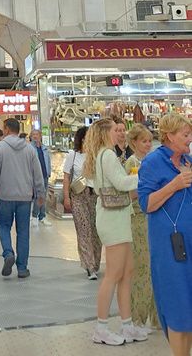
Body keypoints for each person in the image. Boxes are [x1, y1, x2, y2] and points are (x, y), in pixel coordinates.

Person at [83, 117, 146, 346]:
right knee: (113, 275)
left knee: (126, 272)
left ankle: (127, 325)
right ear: (105, 133)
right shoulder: (107, 155)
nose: (119, 133)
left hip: (118, 216)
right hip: (113, 219)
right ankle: (101, 327)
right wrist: (144, 175)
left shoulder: (103, 154)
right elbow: (122, 183)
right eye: (115, 130)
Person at [138, 113, 192, 356]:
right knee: (177, 301)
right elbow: (146, 204)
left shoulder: (187, 160)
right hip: (170, 247)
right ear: (169, 136)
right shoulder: (152, 162)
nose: (189, 139)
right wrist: (175, 184)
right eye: (185, 135)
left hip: (189, 242)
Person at [0, 116, 45, 279]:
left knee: (4, 226)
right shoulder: (30, 149)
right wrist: (40, 194)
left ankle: (8, 253)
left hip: (5, 196)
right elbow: (38, 174)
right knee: (23, 231)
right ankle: (22, 268)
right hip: (25, 197)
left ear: (6, 129)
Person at [124, 124, 159, 330]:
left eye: (149, 141)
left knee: (154, 268)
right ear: (134, 142)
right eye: (143, 141)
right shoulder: (132, 163)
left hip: (153, 216)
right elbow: (130, 192)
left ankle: (156, 316)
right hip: (138, 217)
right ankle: (138, 317)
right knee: (141, 269)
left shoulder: (152, 161)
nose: (147, 145)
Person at [63, 126, 101, 280]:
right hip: (78, 195)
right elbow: (66, 177)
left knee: (96, 231)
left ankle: (96, 263)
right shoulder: (72, 155)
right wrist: (66, 197)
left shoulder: (97, 154)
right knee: (83, 230)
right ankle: (89, 266)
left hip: (95, 195)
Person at [29, 129, 52, 227]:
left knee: (44, 196)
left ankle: (42, 216)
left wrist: (48, 172)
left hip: (44, 175)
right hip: (35, 176)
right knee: (38, 196)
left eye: (36, 134)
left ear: (40, 136)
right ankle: (35, 215)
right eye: (33, 134)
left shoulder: (44, 148)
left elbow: (48, 161)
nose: (35, 136)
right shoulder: (30, 148)